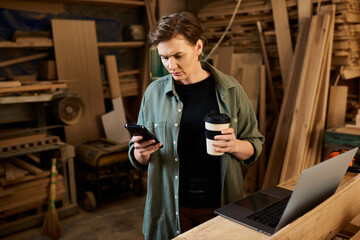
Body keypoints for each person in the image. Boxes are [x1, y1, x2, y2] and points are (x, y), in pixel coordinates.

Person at [128, 12, 264, 240]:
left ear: (198, 47)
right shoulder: (153, 94)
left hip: (221, 206)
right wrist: (141, 153)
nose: (171, 65)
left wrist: (234, 145)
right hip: (171, 208)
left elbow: (254, 145)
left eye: (178, 55)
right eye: (164, 57)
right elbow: (139, 158)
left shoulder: (231, 90)